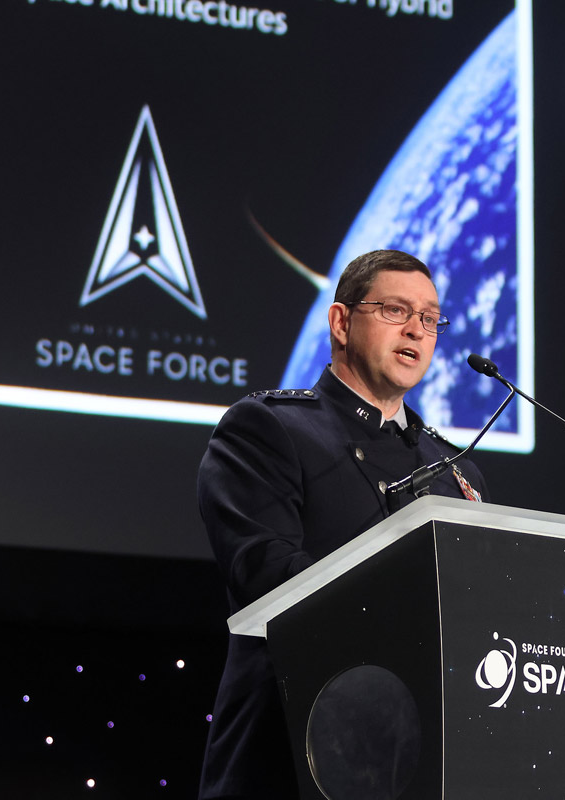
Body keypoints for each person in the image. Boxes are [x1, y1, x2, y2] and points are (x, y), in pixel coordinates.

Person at [196, 249, 490, 800]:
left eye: (430, 318)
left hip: (423, 766)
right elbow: (266, 574)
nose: (417, 330)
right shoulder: (268, 428)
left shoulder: (458, 472)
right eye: (395, 310)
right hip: (291, 755)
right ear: (340, 322)